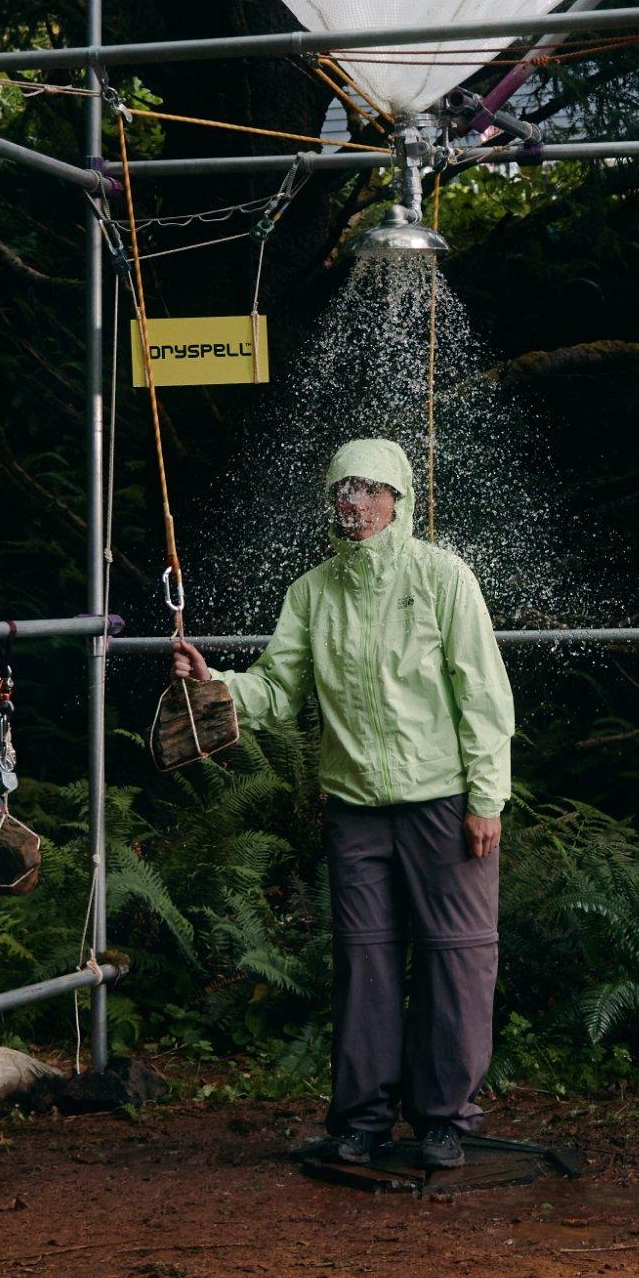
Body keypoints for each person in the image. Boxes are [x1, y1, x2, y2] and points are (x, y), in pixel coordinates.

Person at [173, 436, 513, 1168]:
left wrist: (487, 797)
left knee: (457, 961)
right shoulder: (311, 592)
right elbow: (276, 686)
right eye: (341, 491)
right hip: (355, 807)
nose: (352, 502)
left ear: (398, 499)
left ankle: (445, 1120)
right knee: (365, 963)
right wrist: (219, 686)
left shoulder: (442, 578)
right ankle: (361, 1122)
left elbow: (483, 693)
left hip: (444, 803)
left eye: (367, 489)